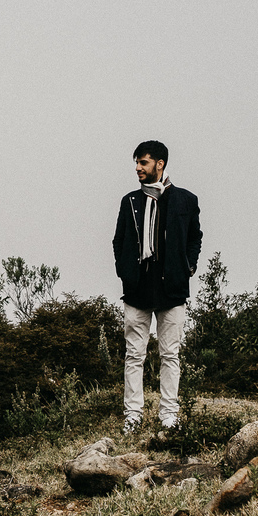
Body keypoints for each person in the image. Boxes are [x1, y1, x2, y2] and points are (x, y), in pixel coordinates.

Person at [112, 140, 202, 432]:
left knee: (170, 354)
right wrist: (124, 271)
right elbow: (119, 240)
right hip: (137, 289)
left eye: (143, 162)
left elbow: (194, 237)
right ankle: (133, 415)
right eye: (136, 163)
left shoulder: (185, 200)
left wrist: (188, 266)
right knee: (134, 354)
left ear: (159, 164)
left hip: (172, 289)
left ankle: (168, 415)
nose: (138, 168)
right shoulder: (130, 201)